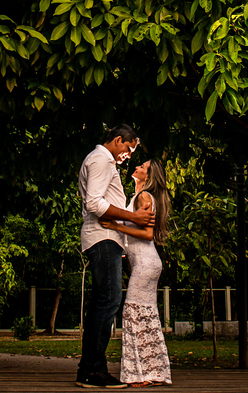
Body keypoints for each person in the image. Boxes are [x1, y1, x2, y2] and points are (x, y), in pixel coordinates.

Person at [77, 125, 155, 389]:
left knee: (103, 303)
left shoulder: (102, 160)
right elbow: (94, 203)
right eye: (129, 148)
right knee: (108, 301)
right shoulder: (101, 159)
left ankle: (87, 370)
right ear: (119, 140)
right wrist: (133, 217)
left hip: (107, 239)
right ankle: (94, 371)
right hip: (102, 238)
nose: (129, 156)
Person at [100, 158, 172, 387]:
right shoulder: (140, 196)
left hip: (145, 264)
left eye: (142, 167)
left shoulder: (144, 197)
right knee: (146, 316)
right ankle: (153, 373)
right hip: (146, 263)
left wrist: (116, 227)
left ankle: (141, 375)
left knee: (133, 314)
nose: (137, 167)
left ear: (148, 176)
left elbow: (148, 234)